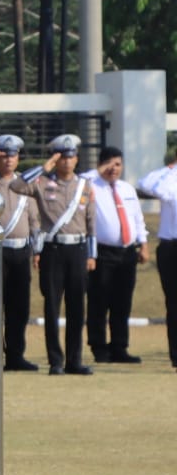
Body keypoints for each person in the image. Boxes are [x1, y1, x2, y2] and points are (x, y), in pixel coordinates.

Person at [8, 135, 95, 375]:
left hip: (77, 249)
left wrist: (92, 255)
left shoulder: (84, 186)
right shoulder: (42, 182)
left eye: (70, 157)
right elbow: (16, 186)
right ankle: (56, 360)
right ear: (55, 159)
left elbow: (91, 223)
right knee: (52, 306)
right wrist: (44, 166)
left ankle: (74, 360)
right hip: (53, 250)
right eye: (61, 157)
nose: (66, 162)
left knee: (77, 306)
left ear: (76, 159)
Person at [0, 134, 43, 371]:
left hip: (21, 251)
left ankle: (15, 355)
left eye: (12, 155)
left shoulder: (25, 184)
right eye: (3, 155)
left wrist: (37, 251)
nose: (8, 160)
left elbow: (34, 220)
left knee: (19, 307)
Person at [86, 147, 148, 364]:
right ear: (101, 164)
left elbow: (137, 218)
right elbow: (81, 178)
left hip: (127, 252)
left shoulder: (126, 188)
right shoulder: (91, 185)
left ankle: (119, 347)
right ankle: (99, 347)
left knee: (122, 302)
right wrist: (99, 171)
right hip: (102, 252)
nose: (114, 169)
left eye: (118, 164)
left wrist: (144, 244)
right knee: (99, 301)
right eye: (110, 164)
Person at [135, 152, 177, 370]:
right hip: (172, 246)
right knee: (174, 303)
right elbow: (148, 185)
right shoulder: (169, 177)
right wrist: (171, 171)